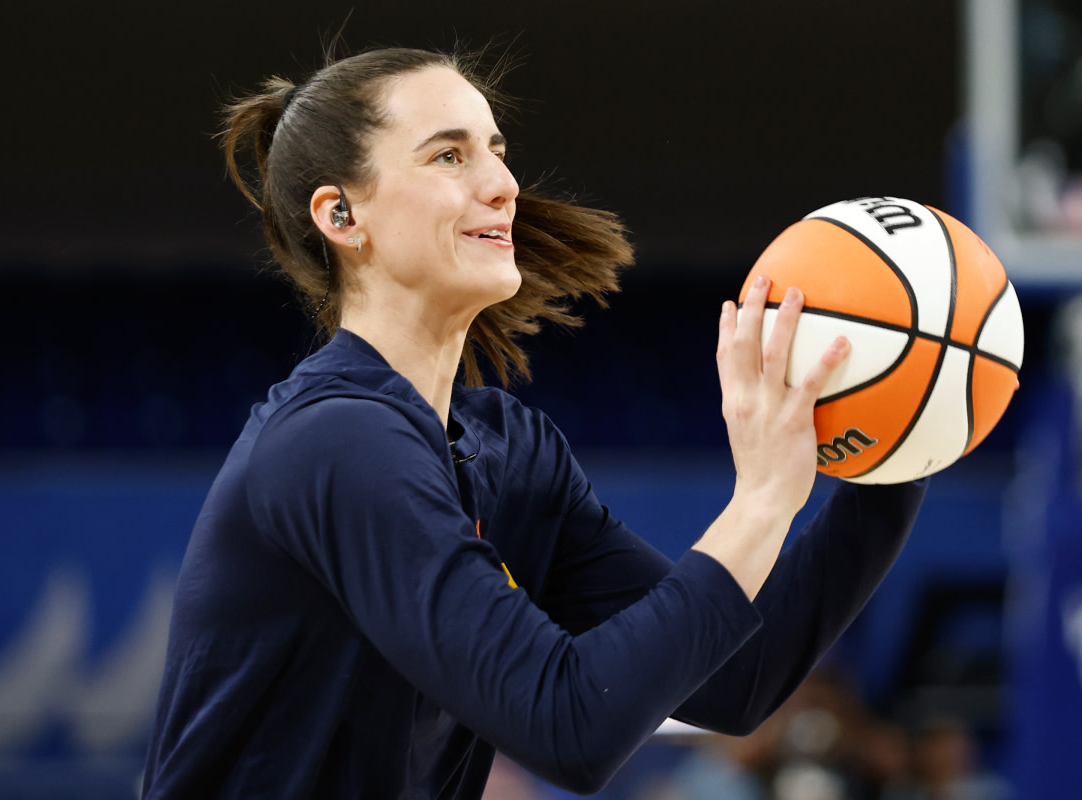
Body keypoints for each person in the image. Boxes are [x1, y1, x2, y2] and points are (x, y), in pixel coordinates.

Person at [140, 46, 926, 799]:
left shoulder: (507, 451)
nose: (503, 183)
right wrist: (760, 501)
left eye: (497, 148)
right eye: (450, 156)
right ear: (341, 214)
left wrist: (907, 434)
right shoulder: (335, 443)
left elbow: (737, 682)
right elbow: (571, 729)